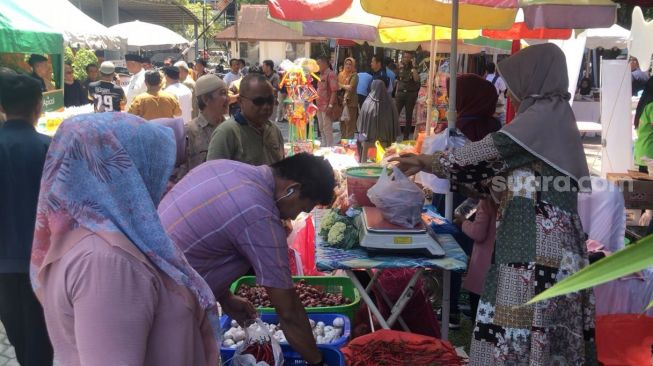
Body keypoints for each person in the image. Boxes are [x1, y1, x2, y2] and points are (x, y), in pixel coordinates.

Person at [391, 43, 595, 364]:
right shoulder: (553, 118)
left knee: (517, 328)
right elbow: (508, 180)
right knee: (529, 332)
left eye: (514, 85)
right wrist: (470, 188)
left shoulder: (541, 118)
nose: (509, 95)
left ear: (533, 80)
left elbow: (482, 153)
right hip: (537, 244)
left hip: (537, 251)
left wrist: (425, 160)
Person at [31, 113, 220, 366]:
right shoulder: (106, 263)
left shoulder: (107, 238)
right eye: (155, 168)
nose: (165, 182)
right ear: (123, 172)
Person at [158, 153, 335, 366]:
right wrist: (317, 361)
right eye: (302, 208)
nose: (295, 217)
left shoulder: (222, 167)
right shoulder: (260, 214)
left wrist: (224, 296)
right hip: (169, 308)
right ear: (292, 189)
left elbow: (202, 243)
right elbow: (289, 312)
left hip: (154, 283)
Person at [0, 74, 54, 366]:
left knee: (18, 335)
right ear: (38, 106)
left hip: (4, 268)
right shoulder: (49, 148)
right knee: (40, 339)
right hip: (44, 264)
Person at [207, 73, 284, 165]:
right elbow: (214, 174)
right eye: (259, 101)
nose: (266, 106)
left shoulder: (274, 130)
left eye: (270, 100)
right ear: (240, 101)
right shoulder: (226, 133)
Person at [177, 74, 229, 180]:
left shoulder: (231, 128)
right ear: (206, 99)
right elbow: (181, 177)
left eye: (227, 93)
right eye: (223, 93)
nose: (228, 99)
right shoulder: (188, 132)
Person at [454, 198, 497, 324]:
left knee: (479, 313)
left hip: (484, 265)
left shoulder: (486, 202)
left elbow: (478, 233)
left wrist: (463, 222)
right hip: (503, 265)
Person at [357, 80, 399, 162]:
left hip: (367, 138)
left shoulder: (367, 103)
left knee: (359, 138)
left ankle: (362, 160)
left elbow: (360, 124)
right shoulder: (390, 103)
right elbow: (395, 122)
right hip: (386, 139)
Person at [395, 51, 421, 139]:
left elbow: (416, 79)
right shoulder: (400, 67)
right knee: (395, 114)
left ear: (411, 58)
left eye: (408, 57)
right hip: (400, 93)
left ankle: (406, 137)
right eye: (405, 57)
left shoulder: (414, 68)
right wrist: (396, 93)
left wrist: (413, 67)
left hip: (410, 94)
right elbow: (398, 80)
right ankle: (393, 135)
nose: (406, 59)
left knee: (408, 116)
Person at [316, 55, 338, 147]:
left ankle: (330, 147)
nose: (317, 66)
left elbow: (334, 91)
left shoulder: (331, 74)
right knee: (321, 127)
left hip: (326, 106)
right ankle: (324, 146)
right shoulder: (320, 75)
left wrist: (330, 106)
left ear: (325, 63)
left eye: (319, 64)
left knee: (327, 128)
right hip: (319, 106)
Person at [633, 78, 653, 173]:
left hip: (643, 150)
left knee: (644, 186)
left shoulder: (644, 104)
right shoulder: (652, 106)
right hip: (650, 153)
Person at [338, 57, 359, 139]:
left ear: (353, 65)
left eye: (350, 64)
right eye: (346, 64)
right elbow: (337, 86)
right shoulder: (340, 75)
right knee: (342, 122)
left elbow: (350, 87)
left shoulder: (355, 75)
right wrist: (342, 86)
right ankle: (343, 140)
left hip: (351, 102)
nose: (348, 66)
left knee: (350, 123)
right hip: (341, 102)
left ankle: (349, 142)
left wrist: (341, 85)